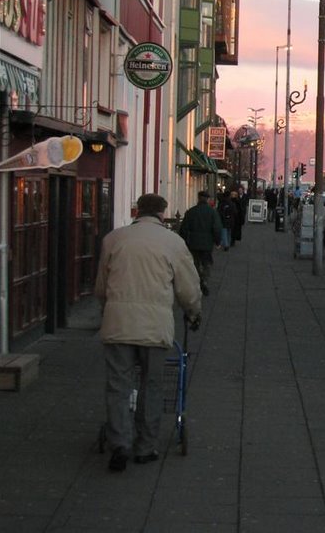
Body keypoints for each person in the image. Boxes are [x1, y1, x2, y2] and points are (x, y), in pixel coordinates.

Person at [95, 193, 202, 473]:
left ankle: (119, 442)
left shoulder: (113, 240)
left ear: (137, 211)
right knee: (151, 386)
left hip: (118, 325)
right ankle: (145, 447)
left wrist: (108, 310)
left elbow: (101, 287)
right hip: (155, 328)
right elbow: (188, 289)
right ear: (162, 214)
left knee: (118, 386)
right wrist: (193, 312)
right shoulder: (173, 243)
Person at [178, 189, 223, 296]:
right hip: (207, 243)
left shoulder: (191, 211)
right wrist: (217, 241)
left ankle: (197, 279)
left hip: (193, 242)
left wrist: (184, 240)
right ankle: (204, 280)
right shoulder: (212, 212)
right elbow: (217, 228)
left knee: (195, 263)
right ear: (207, 200)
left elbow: (184, 228)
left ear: (198, 199)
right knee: (206, 263)